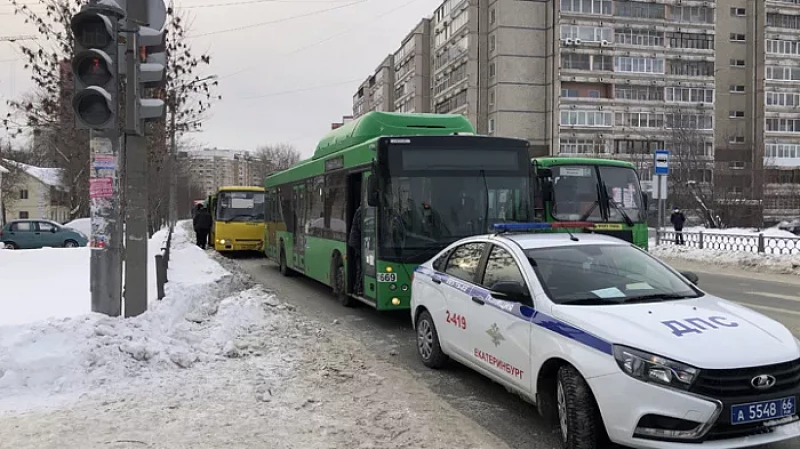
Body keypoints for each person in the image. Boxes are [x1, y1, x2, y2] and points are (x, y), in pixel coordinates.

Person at [348, 205, 363, 296]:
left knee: (360, 264)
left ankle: (358, 287)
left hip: (357, 241)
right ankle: (358, 287)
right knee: (361, 264)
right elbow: (362, 227)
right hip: (357, 242)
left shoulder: (360, 210)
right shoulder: (361, 211)